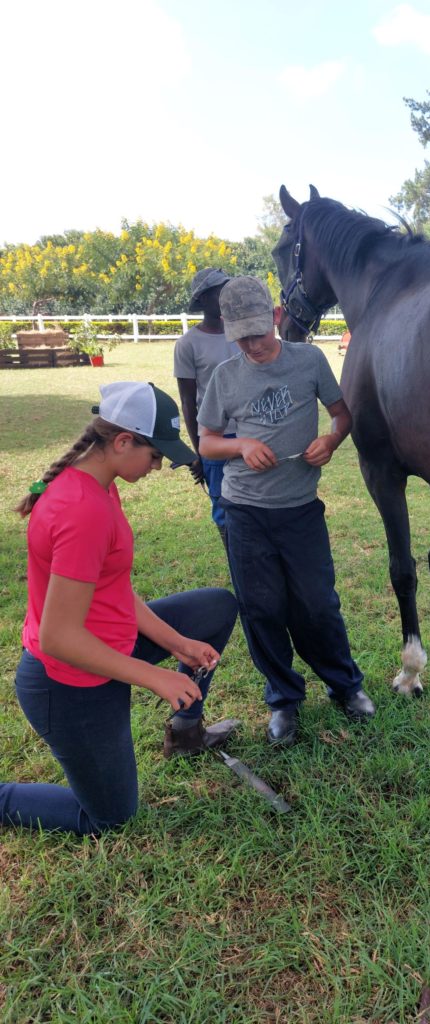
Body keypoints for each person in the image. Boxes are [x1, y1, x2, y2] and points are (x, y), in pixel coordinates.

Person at [0, 382, 240, 837]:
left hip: (109, 640)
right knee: (111, 815)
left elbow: (112, 589)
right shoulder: (82, 509)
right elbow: (59, 638)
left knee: (214, 607)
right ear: (123, 441)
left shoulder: (96, 483)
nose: (158, 466)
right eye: (155, 455)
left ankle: (186, 734)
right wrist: (156, 676)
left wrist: (178, 644)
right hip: (70, 683)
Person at [197, 276, 375, 747]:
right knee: (263, 608)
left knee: (317, 604)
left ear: (276, 317)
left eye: (258, 333)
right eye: (241, 337)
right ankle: (283, 699)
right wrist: (241, 446)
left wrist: (332, 440)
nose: (252, 345)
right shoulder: (225, 378)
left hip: (299, 510)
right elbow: (207, 442)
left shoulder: (309, 361)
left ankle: (345, 685)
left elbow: (342, 414)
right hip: (246, 512)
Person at [174, 267, 237, 545]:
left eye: (227, 288)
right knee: (223, 507)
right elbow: (188, 402)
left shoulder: (242, 333)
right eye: (218, 292)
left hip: (252, 429)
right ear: (201, 300)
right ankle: (235, 557)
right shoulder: (188, 344)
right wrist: (198, 448)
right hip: (215, 435)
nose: (225, 296)